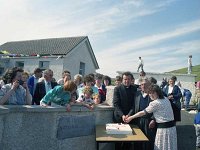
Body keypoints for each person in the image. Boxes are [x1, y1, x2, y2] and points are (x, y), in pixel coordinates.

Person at [126, 84, 177, 150]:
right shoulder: (165, 99)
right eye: (149, 93)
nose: (151, 95)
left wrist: (131, 117)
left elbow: (142, 112)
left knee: (161, 147)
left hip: (163, 130)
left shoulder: (155, 103)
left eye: (153, 93)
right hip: (172, 129)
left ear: (158, 93)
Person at [113, 71, 137, 150]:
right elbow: (116, 104)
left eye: (128, 79)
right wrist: (122, 115)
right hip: (119, 117)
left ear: (131, 80)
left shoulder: (135, 89)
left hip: (130, 118)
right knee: (118, 140)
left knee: (128, 141)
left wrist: (129, 115)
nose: (127, 81)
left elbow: (135, 104)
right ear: (122, 80)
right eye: (125, 79)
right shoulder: (117, 89)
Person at [134, 78, 156, 150]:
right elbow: (134, 106)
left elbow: (157, 108)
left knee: (148, 140)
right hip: (138, 120)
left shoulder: (153, 94)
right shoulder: (137, 93)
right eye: (142, 84)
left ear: (150, 85)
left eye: (146, 84)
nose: (143, 86)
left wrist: (153, 119)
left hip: (149, 120)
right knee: (137, 139)